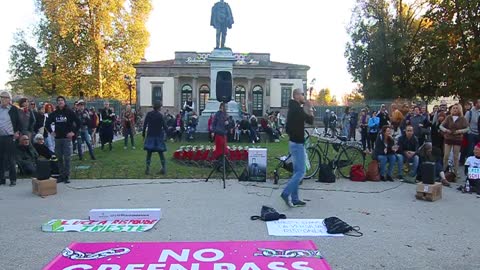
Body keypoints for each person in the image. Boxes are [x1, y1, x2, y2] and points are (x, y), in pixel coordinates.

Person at [280, 88, 314, 207]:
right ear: (296, 95)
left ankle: (295, 198)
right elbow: (310, 120)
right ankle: (286, 193)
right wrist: (309, 107)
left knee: (296, 171)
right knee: (301, 172)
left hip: (293, 142)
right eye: (302, 94)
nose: (304, 96)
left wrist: (308, 108)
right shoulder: (296, 109)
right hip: (297, 143)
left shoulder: (294, 108)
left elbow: (308, 120)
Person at [45, 96, 81, 184]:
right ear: (57, 103)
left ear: (64, 102)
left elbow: (78, 122)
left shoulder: (69, 112)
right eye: (58, 100)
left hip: (67, 139)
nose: (60, 102)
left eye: (62, 100)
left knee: (67, 158)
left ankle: (67, 175)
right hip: (58, 139)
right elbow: (47, 123)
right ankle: (61, 175)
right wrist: (51, 132)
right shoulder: (54, 113)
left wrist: (73, 132)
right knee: (59, 158)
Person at [440, 103, 469, 177]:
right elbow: (441, 126)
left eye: (456, 108)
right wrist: (446, 130)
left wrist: (460, 131)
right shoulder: (449, 117)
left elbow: (467, 128)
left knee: (456, 157)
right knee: (446, 155)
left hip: (457, 139)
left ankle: (455, 173)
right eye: (454, 108)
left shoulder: (462, 118)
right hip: (448, 138)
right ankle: (444, 171)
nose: (455, 109)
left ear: (459, 109)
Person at [0, 91, 21, 186]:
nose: (3, 99)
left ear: (9, 99)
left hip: (10, 137)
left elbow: (19, 122)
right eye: (2, 97)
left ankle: (13, 179)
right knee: (0, 159)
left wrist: (17, 132)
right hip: (0, 136)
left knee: (10, 159)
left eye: (6, 97)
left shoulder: (13, 109)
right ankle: (1, 179)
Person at [142, 101, 168, 175]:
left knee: (149, 153)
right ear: (159, 107)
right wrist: (168, 133)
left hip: (150, 136)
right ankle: (164, 168)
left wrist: (143, 134)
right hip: (158, 136)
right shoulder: (160, 116)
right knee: (161, 153)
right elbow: (165, 126)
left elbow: (145, 125)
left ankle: (147, 169)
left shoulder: (149, 114)